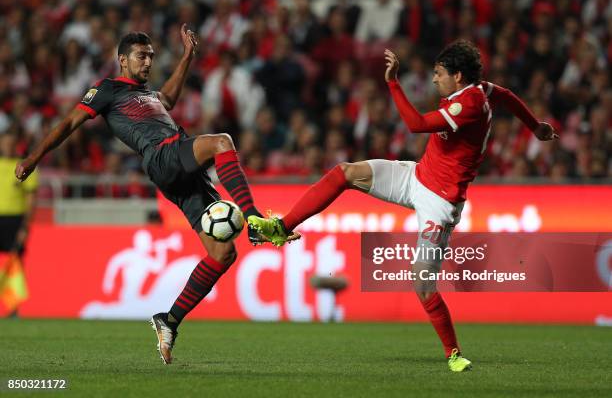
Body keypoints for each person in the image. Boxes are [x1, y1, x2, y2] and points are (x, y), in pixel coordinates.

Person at [248, 40, 559, 372]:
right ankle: (281, 228)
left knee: (422, 282)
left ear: (456, 76)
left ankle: (453, 354)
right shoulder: (480, 89)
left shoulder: (468, 104)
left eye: (438, 74)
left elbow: (416, 125)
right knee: (344, 173)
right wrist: (535, 125)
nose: (434, 79)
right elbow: (508, 96)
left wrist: (393, 83)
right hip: (417, 177)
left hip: (440, 204)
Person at [14, 25, 285, 364]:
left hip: (179, 173)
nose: (147, 62)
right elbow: (70, 123)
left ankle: (168, 320)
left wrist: (187, 57)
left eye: (151, 57)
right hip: (162, 155)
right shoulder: (107, 89)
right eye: (141, 56)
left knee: (222, 254)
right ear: (122, 60)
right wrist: (34, 157)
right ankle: (256, 220)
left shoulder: (147, 94)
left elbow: (167, 99)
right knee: (221, 142)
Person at [0, 130, 38, 317]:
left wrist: (24, 226)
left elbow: (31, 199)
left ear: (16, 145)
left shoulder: (24, 166)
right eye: (5, 143)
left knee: (15, 262)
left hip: (15, 219)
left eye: (11, 143)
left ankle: (14, 307)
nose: (7, 146)